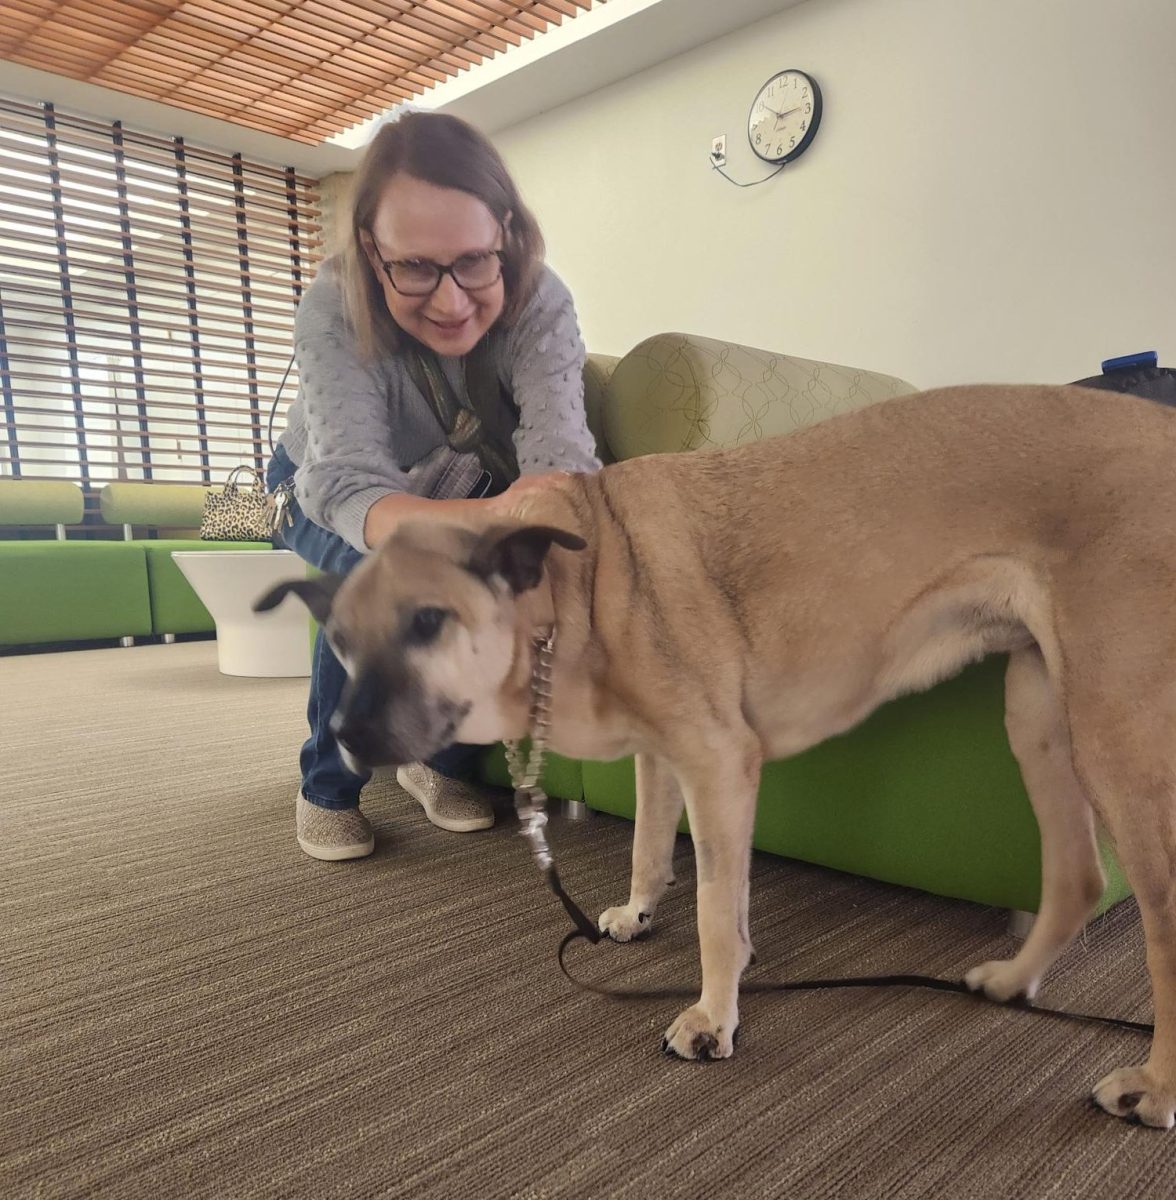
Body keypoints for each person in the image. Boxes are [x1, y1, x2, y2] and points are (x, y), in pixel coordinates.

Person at [266, 111, 600, 861]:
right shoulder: (330, 309)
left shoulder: (542, 301)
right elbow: (348, 481)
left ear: (507, 235)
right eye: (415, 267)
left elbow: (562, 462)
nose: (451, 303)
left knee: (479, 587)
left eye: (475, 261)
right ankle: (328, 783)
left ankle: (433, 759)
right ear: (369, 250)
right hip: (317, 484)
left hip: (465, 492)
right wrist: (503, 518)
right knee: (378, 580)